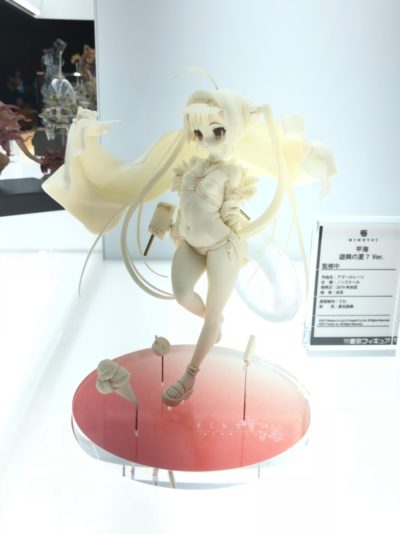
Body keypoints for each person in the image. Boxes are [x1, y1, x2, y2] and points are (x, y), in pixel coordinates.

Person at [43, 85, 335, 406]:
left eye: (217, 131)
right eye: (198, 133)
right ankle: (214, 324)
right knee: (183, 295)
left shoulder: (232, 171)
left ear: (234, 130)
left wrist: (243, 235)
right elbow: (187, 206)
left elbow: (231, 213)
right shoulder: (192, 166)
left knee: (211, 316)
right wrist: (173, 226)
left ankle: (190, 375)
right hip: (191, 245)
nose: (206, 139)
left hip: (221, 248)